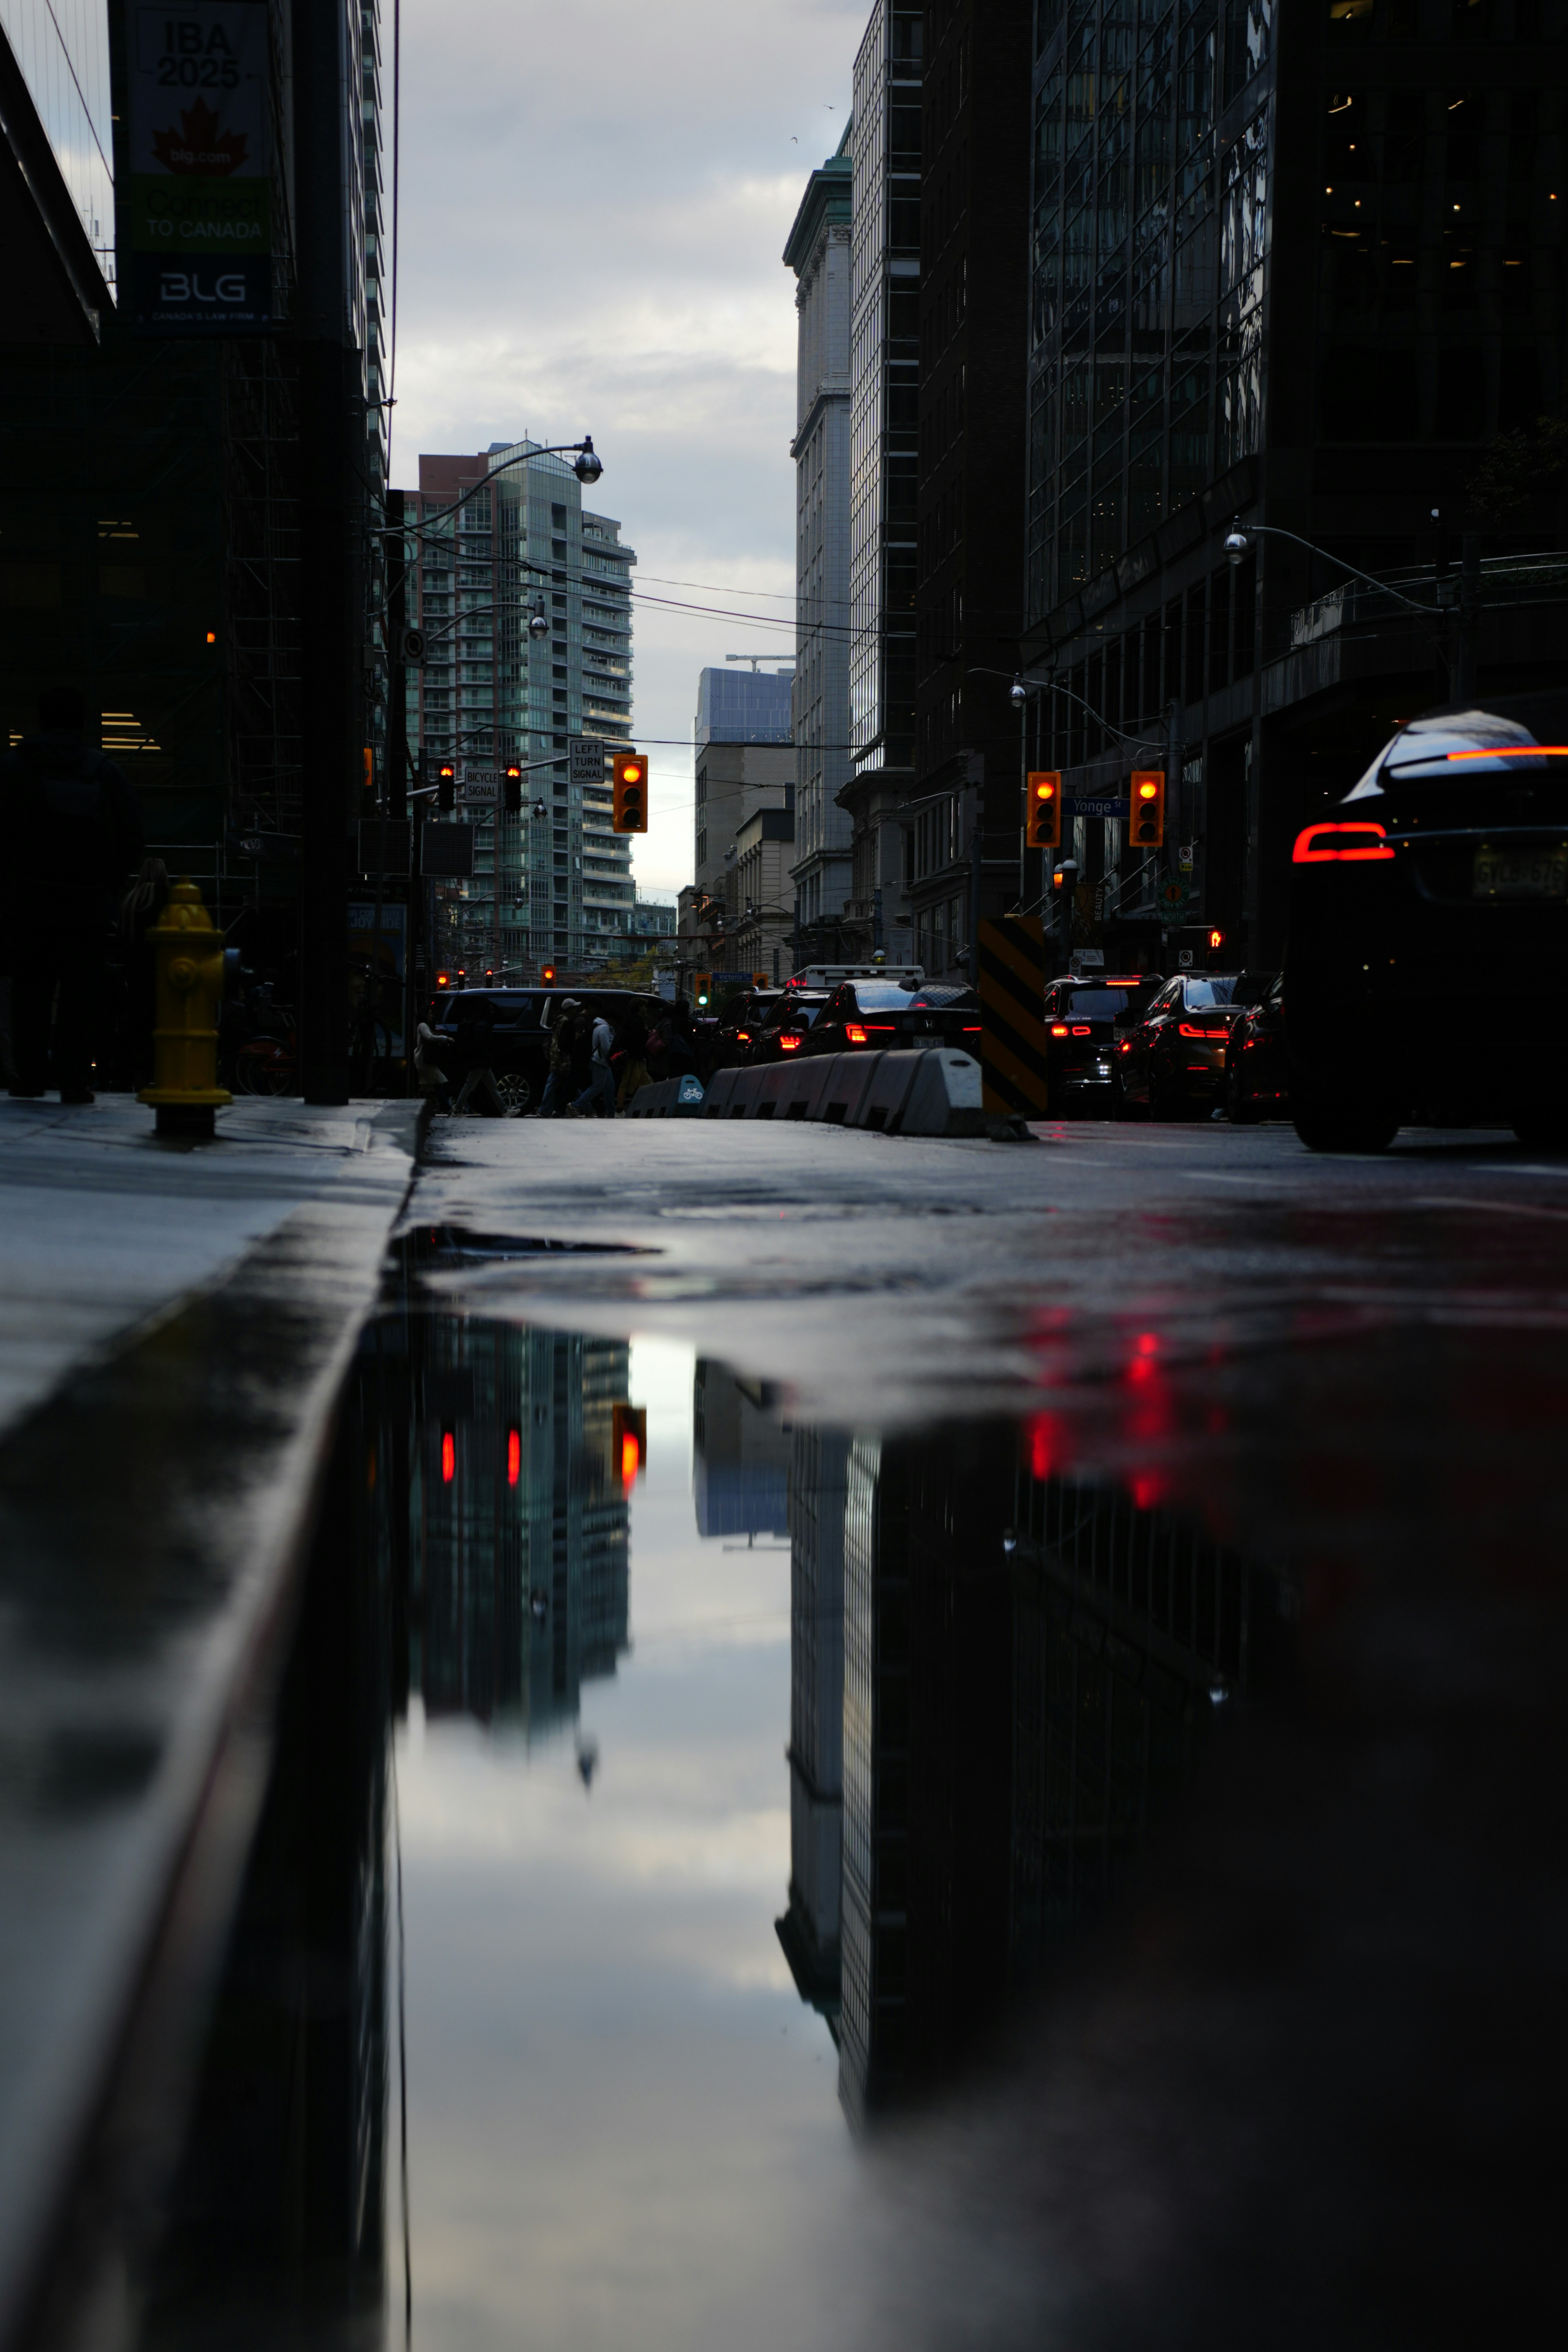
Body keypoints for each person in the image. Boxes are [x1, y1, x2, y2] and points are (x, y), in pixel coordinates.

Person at [1, 686, 144, 1102]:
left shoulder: (15, 767)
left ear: (41, 718)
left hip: (29, 902)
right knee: (82, 995)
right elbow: (133, 834)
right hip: (88, 905)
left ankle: (30, 1076)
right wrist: (109, 886)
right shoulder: (103, 771)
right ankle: (74, 1079)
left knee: (31, 991)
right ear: (81, 721)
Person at [118, 856, 170, 1090]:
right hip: (163, 974)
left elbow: (122, 941)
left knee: (138, 1026)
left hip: (135, 974)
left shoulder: (130, 901)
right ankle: (163, 1075)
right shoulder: (167, 899)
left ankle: (139, 1074)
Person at [571, 1004, 618, 1117]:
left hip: (602, 1062)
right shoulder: (604, 1028)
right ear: (611, 1018)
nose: (615, 1023)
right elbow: (606, 1047)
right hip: (600, 1062)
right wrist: (614, 1058)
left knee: (609, 1088)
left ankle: (611, 1112)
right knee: (597, 1087)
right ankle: (576, 1105)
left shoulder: (597, 1026)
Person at [536, 997, 580, 1117]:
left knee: (566, 1082)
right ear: (569, 1009)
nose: (576, 1009)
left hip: (556, 1055)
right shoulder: (566, 1021)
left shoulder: (559, 1019)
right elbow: (563, 1040)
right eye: (574, 1007)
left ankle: (585, 1106)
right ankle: (585, 1106)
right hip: (562, 1057)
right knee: (568, 1082)